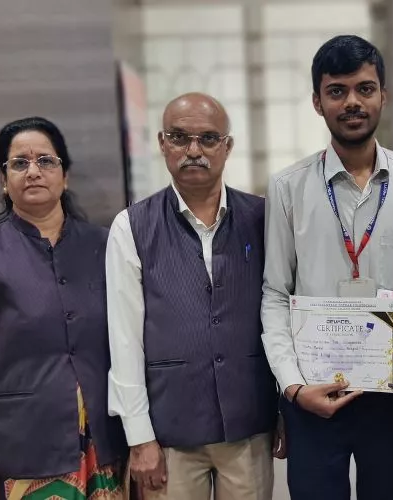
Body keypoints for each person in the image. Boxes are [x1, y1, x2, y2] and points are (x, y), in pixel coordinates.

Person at [261, 35, 393, 500]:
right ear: (317, 102)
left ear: (384, 95)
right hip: (314, 392)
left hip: (392, 395)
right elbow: (275, 293)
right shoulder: (287, 188)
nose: (352, 102)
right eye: (337, 91)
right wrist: (292, 386)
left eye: (365, 88)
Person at [106, 92, 282, 500]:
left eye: (208, 138)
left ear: (227, 146)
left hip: (249, 424)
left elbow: (281, 314)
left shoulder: (263, 218)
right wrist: (140, 437)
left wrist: (284, 410)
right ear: (162, 143)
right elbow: (124, 338)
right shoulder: (131, 226)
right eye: (180, 137)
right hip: (169, 431)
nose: (194, 150)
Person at [0, 116, 127, 500]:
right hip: (25, 451)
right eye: (19, 163)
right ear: (3, 179)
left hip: (107, 448)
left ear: (64, 175)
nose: (33, 171)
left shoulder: (107, 247)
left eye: (45, 161)